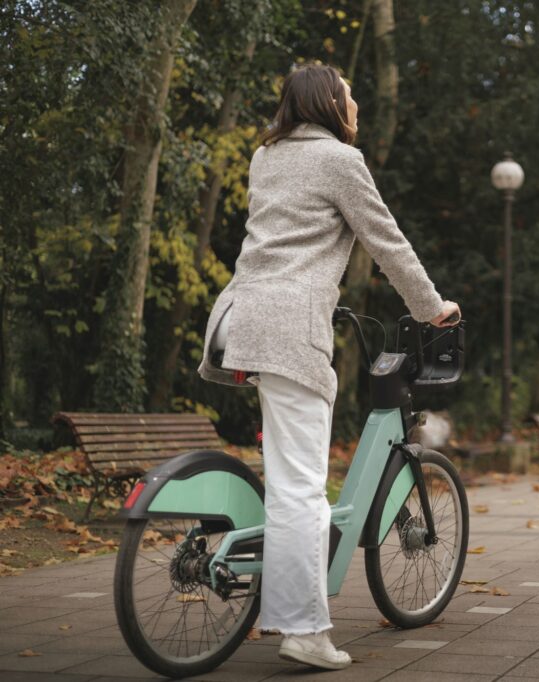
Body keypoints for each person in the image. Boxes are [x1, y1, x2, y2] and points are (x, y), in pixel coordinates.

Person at [197, 64, 460, 671]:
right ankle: (304, 628)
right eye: (350, 94)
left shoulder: (267, 158)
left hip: (242, 318)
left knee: (289, 475)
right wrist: (432, 307)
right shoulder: (341, 160)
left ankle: (290, 605)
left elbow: (288, 237)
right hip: (290, 328)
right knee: (301, 490)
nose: (357, 102)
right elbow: (385, 239)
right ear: (329, 103)